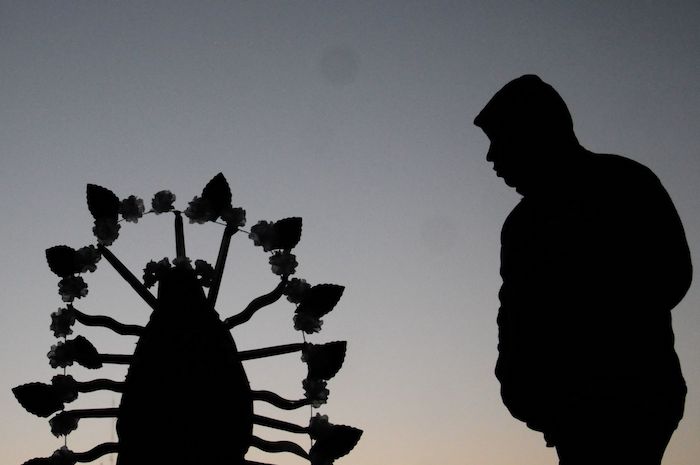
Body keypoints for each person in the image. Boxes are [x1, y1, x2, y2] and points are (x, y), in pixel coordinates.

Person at [474, 75, 692, 465]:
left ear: (534, 133)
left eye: (499, 139)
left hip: (633, 396)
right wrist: (521, 386)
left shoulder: (625, 183)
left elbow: (672, 274)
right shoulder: (523, 225)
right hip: (574, 407)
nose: (491, 157)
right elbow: (516, 317)